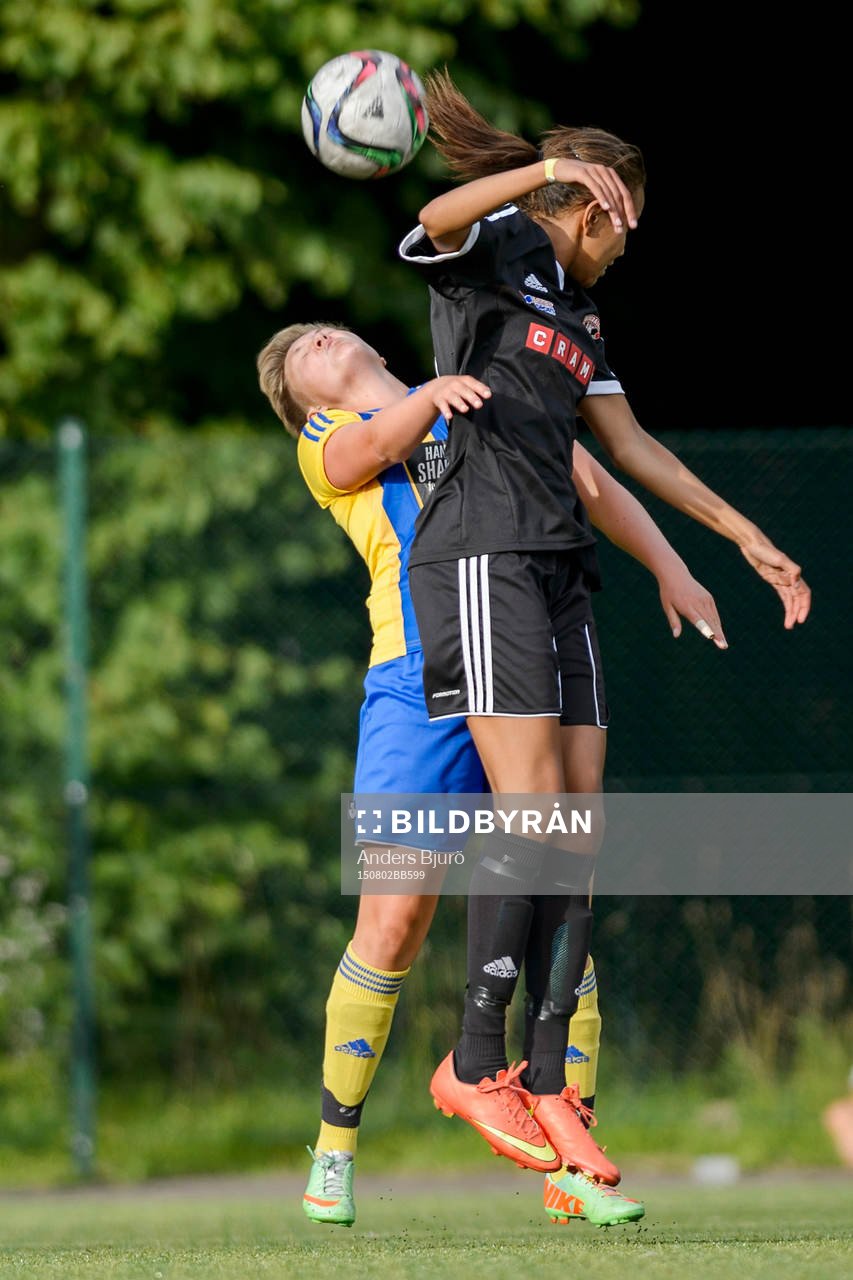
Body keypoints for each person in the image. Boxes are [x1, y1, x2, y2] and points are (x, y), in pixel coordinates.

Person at [397, 69, 812, 1224]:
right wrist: (543, 168)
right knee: (529, 808)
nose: (629, 244)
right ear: (591, 205)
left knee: (575, 826)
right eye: (626, 220)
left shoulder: (580, 318)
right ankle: (472, 1060)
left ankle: (545, 1078)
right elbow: (425, 219)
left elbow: (630, 448)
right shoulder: (494, 249)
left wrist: (738, 536)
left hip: (558, 564)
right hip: (480, 552)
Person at [256, 320, 733, 1227]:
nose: (319, 337)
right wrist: (433, 396)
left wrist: (670, 565)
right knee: (393, 920)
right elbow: (369, 449)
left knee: (559, 903)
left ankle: (573, 1167)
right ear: (301, 401)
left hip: (516, 666)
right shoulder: (329, 439)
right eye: (300, 352)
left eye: (324, 329)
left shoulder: (476, 397)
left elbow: (588, 480)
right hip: (415, 691)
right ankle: (334, 1150)